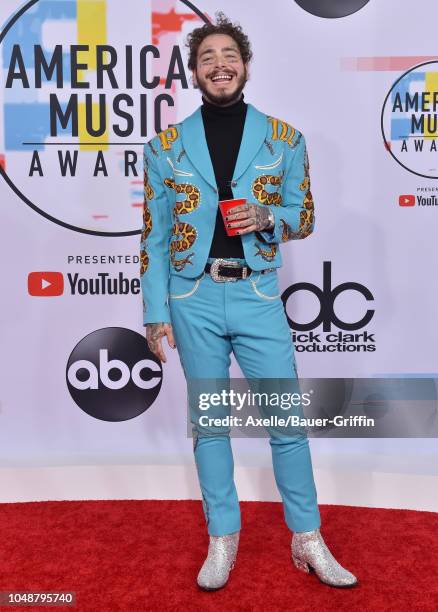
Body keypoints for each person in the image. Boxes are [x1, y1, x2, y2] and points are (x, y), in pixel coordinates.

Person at [140, 11, 358, 591]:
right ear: (193, 72)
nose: (219, 65)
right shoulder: (163, 148)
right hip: (192, 298)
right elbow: (154, 239)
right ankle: (222, 540)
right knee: (211, 426)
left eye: (228, 55)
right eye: (206, 57)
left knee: (286, 424)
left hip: (259, 293)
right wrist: (154, 311)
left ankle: (308, 539)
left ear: (246, 66)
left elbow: (303, 217)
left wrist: (268, 217)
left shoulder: (285, 138)